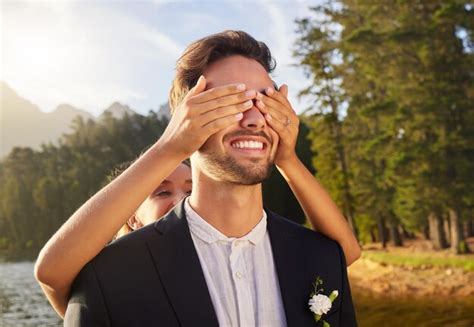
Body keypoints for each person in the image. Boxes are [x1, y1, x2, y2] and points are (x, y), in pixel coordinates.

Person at [55, 30, 358, 326]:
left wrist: (288, 156)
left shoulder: (322, 257)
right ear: (185, 120)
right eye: (231, 101)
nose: (254, 119)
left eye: (266, 101)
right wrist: (170, 146)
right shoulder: (109, 275)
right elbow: (53, 271)